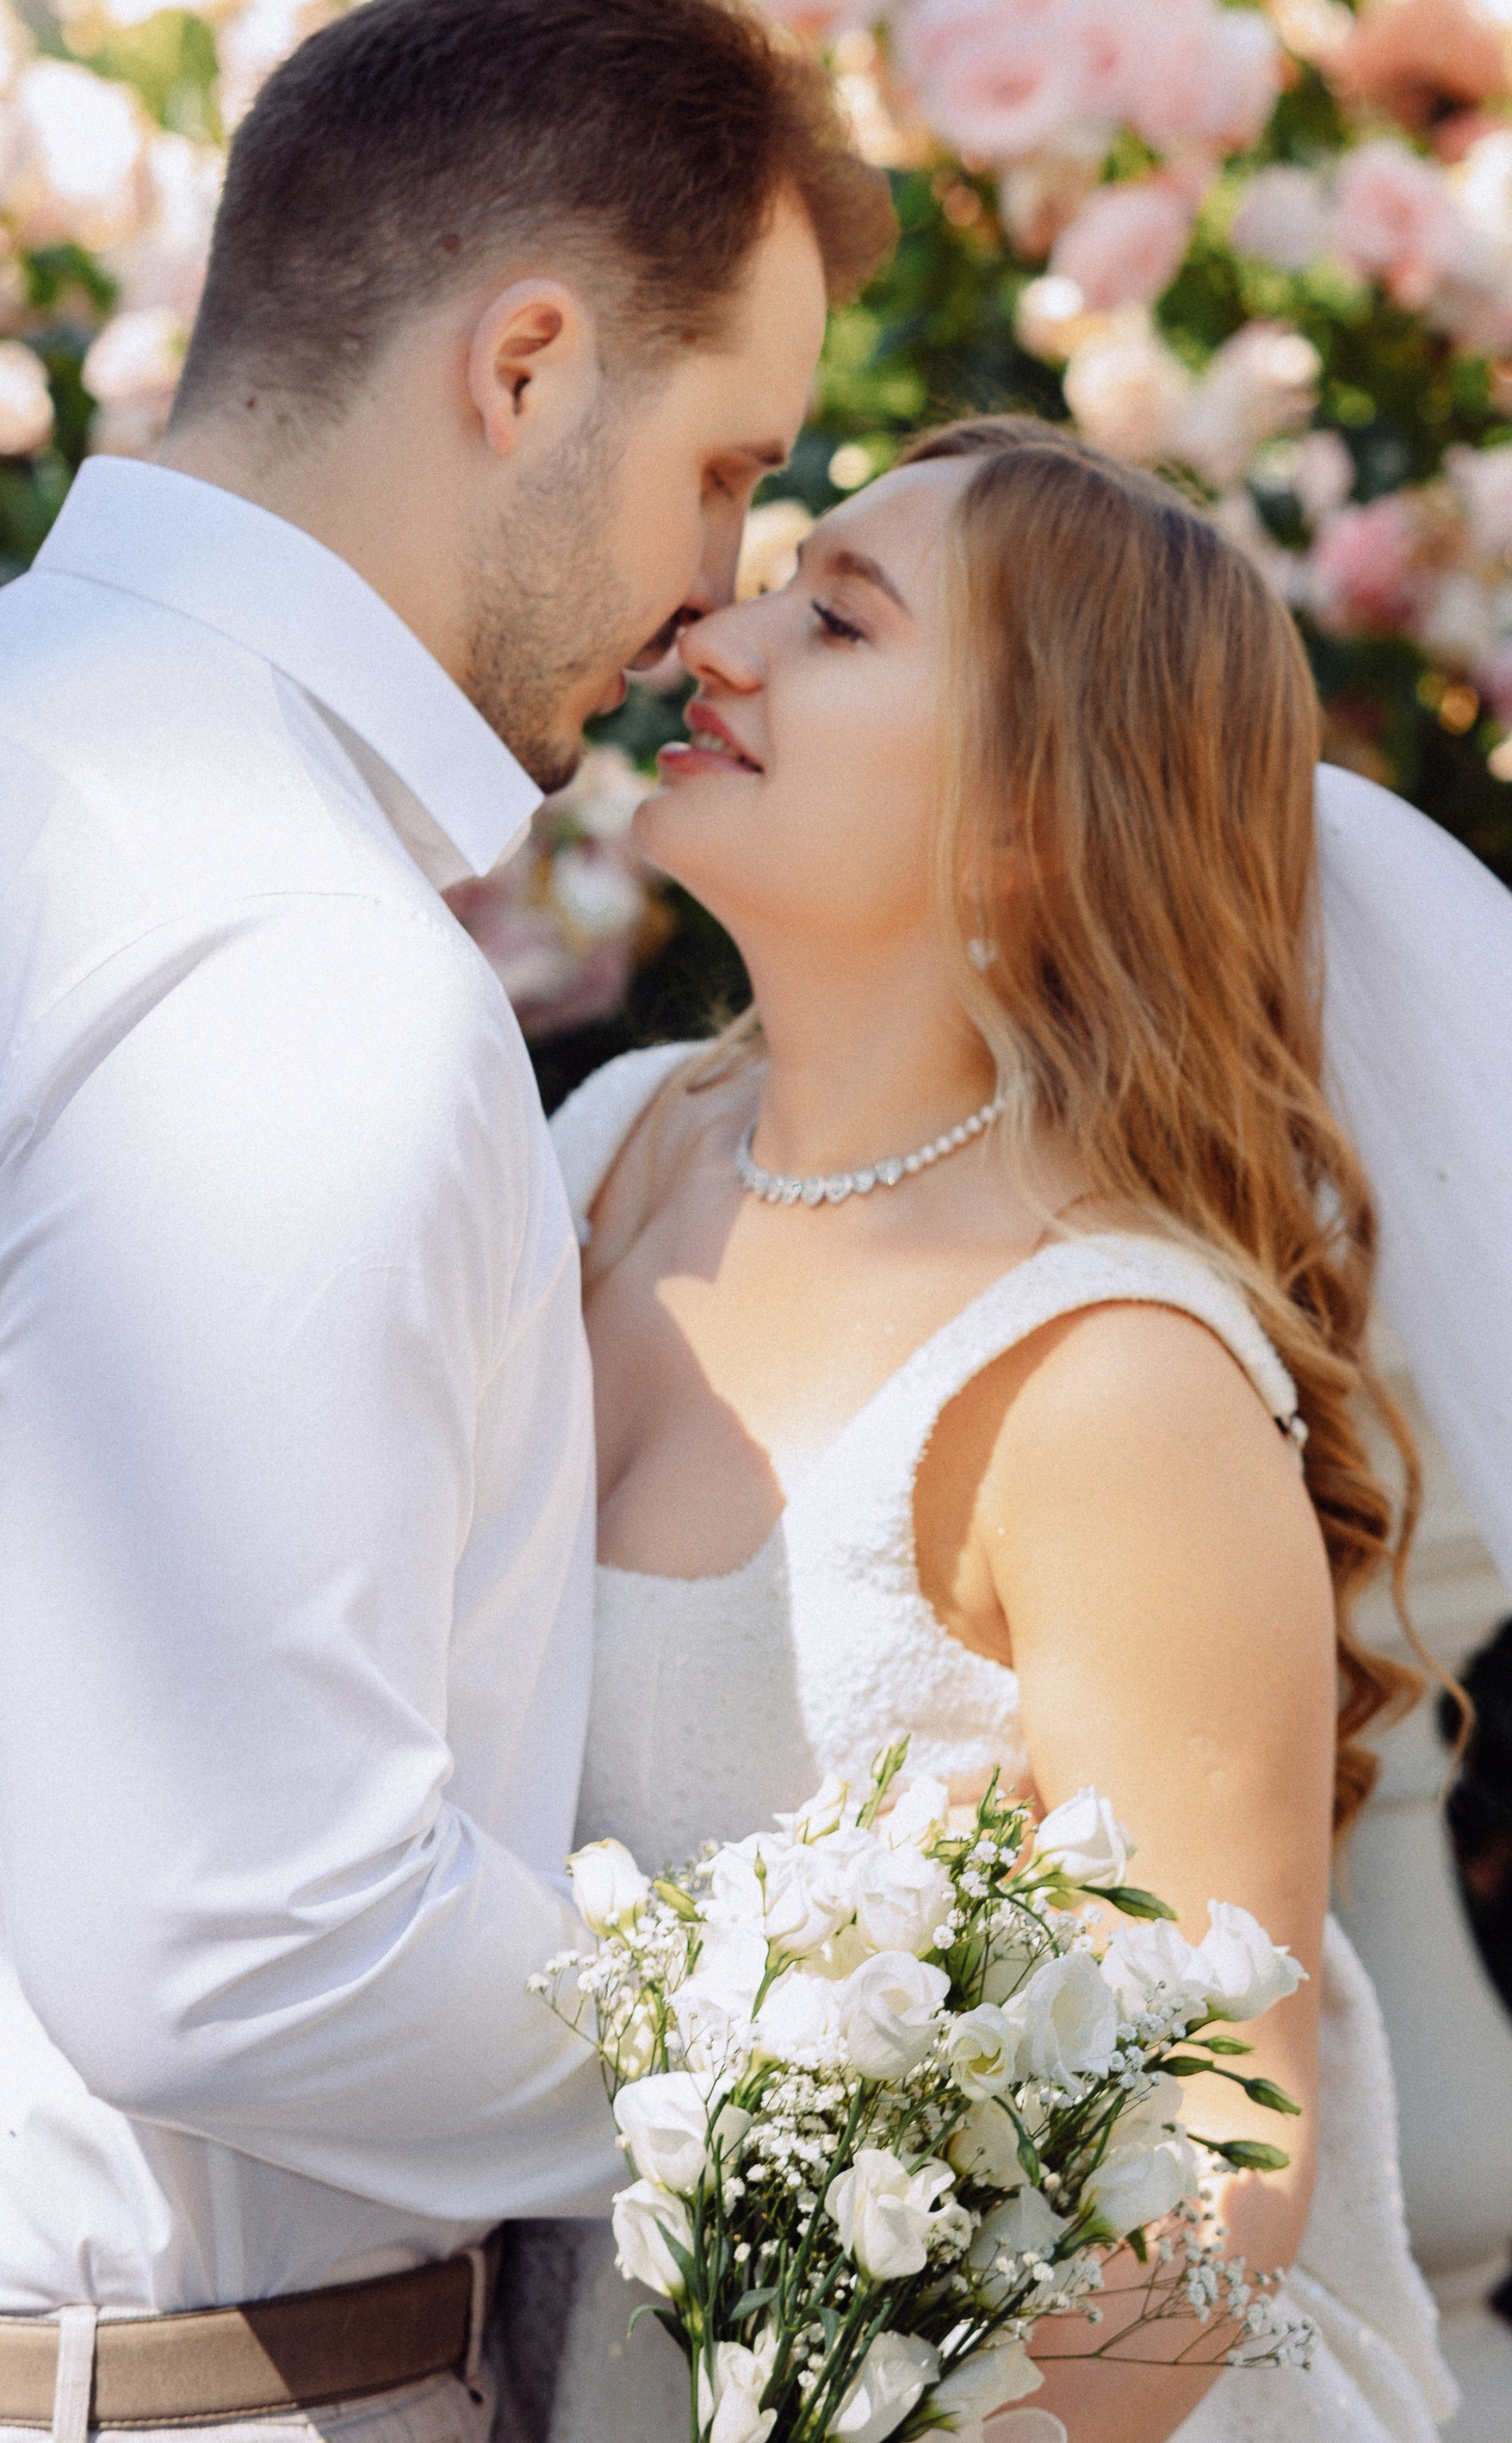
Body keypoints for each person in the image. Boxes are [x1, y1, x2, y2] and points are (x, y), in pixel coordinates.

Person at [0, 0, 891, 2443]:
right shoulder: (284, 952)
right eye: (723, 464)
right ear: (524, 368)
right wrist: (905, 2093)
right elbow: (241, 1942)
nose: (721, 586)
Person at [530, 417, 1457, 2443]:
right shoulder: (603, 1157)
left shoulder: (1105, 1374)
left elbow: (1223, 2168)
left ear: (1031, 816)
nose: (722, 636)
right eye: (770, 581)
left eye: (834, 619)